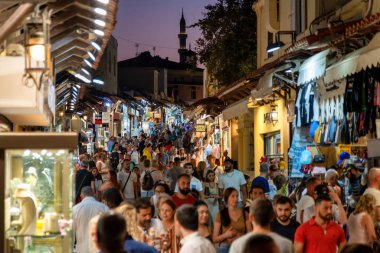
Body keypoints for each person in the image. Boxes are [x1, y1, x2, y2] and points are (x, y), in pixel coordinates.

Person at [213, 187, 252, 253]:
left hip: (241, 246)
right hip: (226, 247)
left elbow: (250, 234)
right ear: (227, 198)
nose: (236, 199)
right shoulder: (221, 214)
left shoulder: (244, 213)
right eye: (233, 196)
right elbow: (214, 239)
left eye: (237, 196)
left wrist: (241, 238)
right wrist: (226, 235)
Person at [73, 187, 108, 253]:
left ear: (81, 196)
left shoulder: (75, 209)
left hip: (81, 249)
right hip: (100, 249)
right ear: (93, 195)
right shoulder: (104, 208)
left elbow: (71, 234)